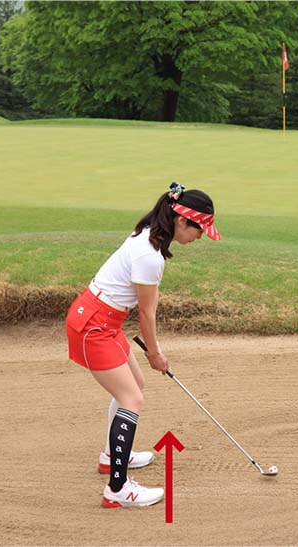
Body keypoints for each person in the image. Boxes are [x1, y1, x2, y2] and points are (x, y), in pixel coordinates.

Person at [65, 182, 221, 509]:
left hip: (103, 320)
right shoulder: (150, 256)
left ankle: (111, 457)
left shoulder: (150, 233)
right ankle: (117, 489)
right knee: (132, 399)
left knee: (134, 385)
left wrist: (152, 352)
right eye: (200, 229)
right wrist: (155, 354)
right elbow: (147, 314)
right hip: (94, 326)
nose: (200, 237)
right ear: (182, 221)